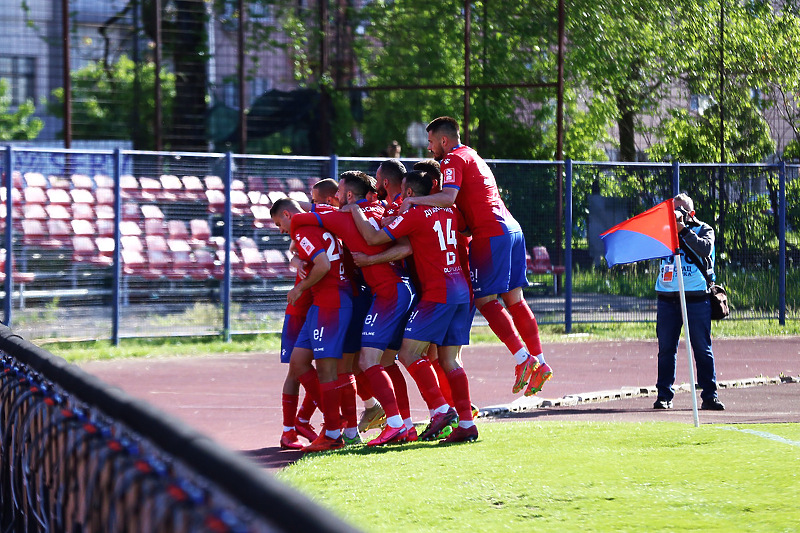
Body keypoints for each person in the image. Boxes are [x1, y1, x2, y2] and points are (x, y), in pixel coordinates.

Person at [401, 116, 552, 397]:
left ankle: (523, 359)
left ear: (444, 140)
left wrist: (413, 200)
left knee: (484, 299)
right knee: (514, 299)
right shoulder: (473, 155)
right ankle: (540, 362)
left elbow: (447, 198)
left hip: (491, 233)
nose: (431, 149)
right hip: (511, 228)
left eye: (432, 142)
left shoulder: (451, 160)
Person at [349, 170, 477, 443]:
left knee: (407, 353)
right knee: (450, 359)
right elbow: (465, 228)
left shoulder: (415, 214)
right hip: (461, 289)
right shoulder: (450, 211)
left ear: (408, 193)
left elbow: (374, 239)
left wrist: (356, 211)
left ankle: (442, 411)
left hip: (437, 292)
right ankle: (466, 423)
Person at [292, 171, 418, 446]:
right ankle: (404, 424)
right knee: (384, 362)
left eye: (339, 194)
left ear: (348, 195)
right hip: (399, 289)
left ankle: (391, 423)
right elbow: (406, 246)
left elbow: (299, 219)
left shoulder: (346, 216)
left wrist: (294, 242)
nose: (335, 199)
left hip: (386, 293)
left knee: (363, 362)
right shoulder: (380, 208)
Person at [270, 198, 354, 452]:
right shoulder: (320, 221)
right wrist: (296, 260)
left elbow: (324, 264)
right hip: (320, 304)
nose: (281, 230)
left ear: (287, 214)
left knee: (330, 369)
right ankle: (327, 423)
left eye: (279, 223)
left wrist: (300, 288)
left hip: (330, 302)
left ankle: (333, 432)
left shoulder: (303, 227)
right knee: (298, 362)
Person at [653, 193, 724, 411]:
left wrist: (683, 229)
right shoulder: (664, 231)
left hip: (696, 298)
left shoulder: (704, 229)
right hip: (667, 298)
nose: (675, 214)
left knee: (702, 348)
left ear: (690, 212)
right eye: (673, 210)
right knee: (666, 349)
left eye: (680, 210)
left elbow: (704, 249)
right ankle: (664, 395)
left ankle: (710, 395)